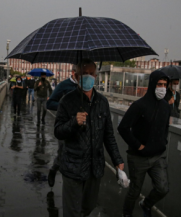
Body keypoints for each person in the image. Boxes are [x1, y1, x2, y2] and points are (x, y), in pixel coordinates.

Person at [54, 59, 124, 217]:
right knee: (72, 212)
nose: (88, 77)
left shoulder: (102, 102)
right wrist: (73, 122)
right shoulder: (67, 101)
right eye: (84, 74)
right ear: (77, 76)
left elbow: (108, 135)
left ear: (96, 75)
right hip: (73, 167)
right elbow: (58, 131)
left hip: (94, 167)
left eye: (91, 74)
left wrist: (117, 160)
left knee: (88, 207)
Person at [118, 70, 171, 217]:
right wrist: (139, 146)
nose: (162, 88)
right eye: (159, 84)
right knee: (135, 191)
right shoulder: (139, 106)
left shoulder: (166, 107)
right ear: (152, 84)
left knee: (163, 188)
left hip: (158, 156)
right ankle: (127, 214)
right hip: (138, 157)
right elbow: (123, 128)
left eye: (165, 85)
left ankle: (146, 204)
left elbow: (166, 127)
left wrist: (162, 142)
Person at [46, 65, 78, 187]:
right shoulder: (64, 85)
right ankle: (54, 170)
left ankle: (72, 185)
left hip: (81, 128)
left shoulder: (86, 87)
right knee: (63, 154)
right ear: (73, 73)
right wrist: (65, 106)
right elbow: (50, 103)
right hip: (65, 127)